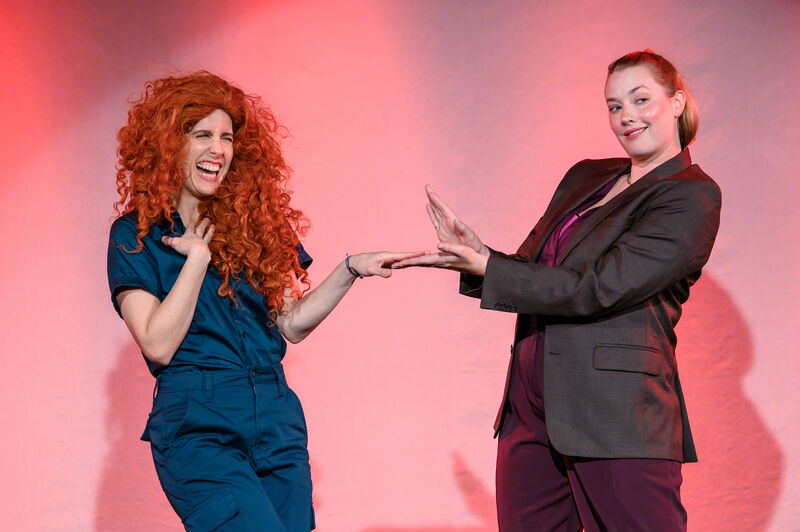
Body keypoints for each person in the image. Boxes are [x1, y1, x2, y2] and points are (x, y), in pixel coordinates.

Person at [393, 50, 721, 531]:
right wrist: (477, 255)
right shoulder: (586, 175)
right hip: (530, 403)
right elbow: (533, 267)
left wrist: (489, 267)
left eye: (640, 99)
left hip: (617, 410)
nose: (626, 116)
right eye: (613, 106)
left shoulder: (690, 195)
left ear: (676, 102)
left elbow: (599, 289)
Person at [107, 71, 420, 531]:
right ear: (170, 144)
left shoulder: (255, 223)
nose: (218, 149)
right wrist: (196, 259)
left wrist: (350, 268)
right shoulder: (135, 235)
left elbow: (289, 324)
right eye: (203, 135)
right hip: (199, 424)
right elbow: (157, 344)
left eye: (227, 138)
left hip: (275, 415)